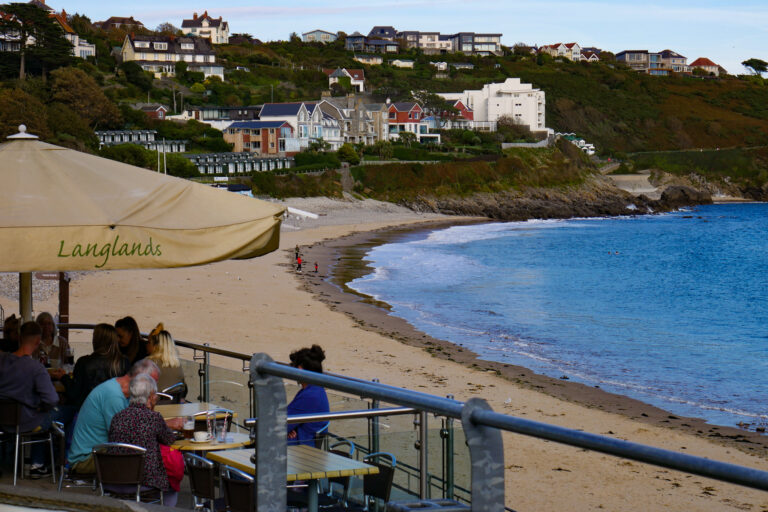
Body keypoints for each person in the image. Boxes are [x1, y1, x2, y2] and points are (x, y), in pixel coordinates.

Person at [68, 359, 182, 474]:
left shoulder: (120, 391)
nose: (155, 389)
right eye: (152, 383)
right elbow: (127, 434)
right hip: (86, 459)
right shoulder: (114, 397)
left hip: (99, 451)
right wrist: (165, 425)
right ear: (140, 379)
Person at [0, 321, 65, 477]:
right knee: (65, 411)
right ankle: (39, 463)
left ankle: (31, 460)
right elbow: (51, 399)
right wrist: (39, 407)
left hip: (2, 420)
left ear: (20, 338)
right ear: (38, 341)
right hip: (26, 422)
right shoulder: (36, 368)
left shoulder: (2, 360)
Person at [108, 373, 180, 506]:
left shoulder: (117, 417)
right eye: (155, 395)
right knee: (172, 484)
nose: (157, 398)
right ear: (151, 395)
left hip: (114, 480)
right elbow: (169, 439)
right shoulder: (154, 418)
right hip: (144, 481)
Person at [63, 324, 129, 409]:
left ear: (96, 340)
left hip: (88, 412)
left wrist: (64, 378)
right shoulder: (123, 362)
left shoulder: (84, 362)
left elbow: (73, 393)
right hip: (115, 411)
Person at [286, 345, 329, 446]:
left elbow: (279, 426)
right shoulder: (316, 389)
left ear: (300, 370)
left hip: (299, 448)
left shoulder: (309, 395)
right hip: (303, 444)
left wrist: (288, 430)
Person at [146, 326, 187, 398]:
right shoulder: (177, 364)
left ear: (156, 346)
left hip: (152, 407)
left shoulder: (146, 364)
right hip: (174, 407)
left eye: (148, 342)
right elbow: (184, 389)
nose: (146, 345)